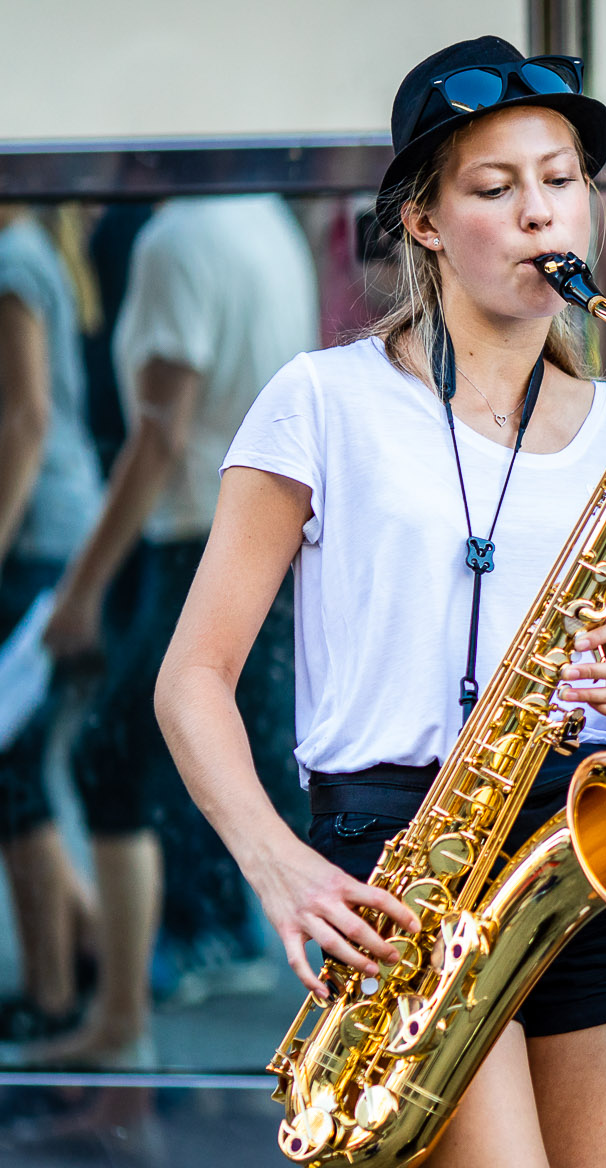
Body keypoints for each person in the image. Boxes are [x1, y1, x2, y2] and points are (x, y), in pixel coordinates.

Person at [154, 36, 606, 1168]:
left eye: (561, 181)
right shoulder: (322, 401)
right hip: (402, 875)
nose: (537, 213)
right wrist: (276, 863)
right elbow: (191, 680)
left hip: (586, 870)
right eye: (495, 187)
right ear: (420, 216)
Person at [32, 190, 317, 1062]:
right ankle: (144, 996)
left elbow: (159, 435)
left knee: (112, 753)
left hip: (203, 534)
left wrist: (82, 588)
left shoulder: (171, 242)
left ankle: (123, 1021)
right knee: (255, 759)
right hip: (266, 529)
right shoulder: (266, 215)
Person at [0, 203, 104, 1039]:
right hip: (52, 532)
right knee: (21, 763)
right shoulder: (36, 252)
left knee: (12, 770)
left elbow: (26, 418)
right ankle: (84, 952)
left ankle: (53, 995)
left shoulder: (12, 264)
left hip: (34, 538)